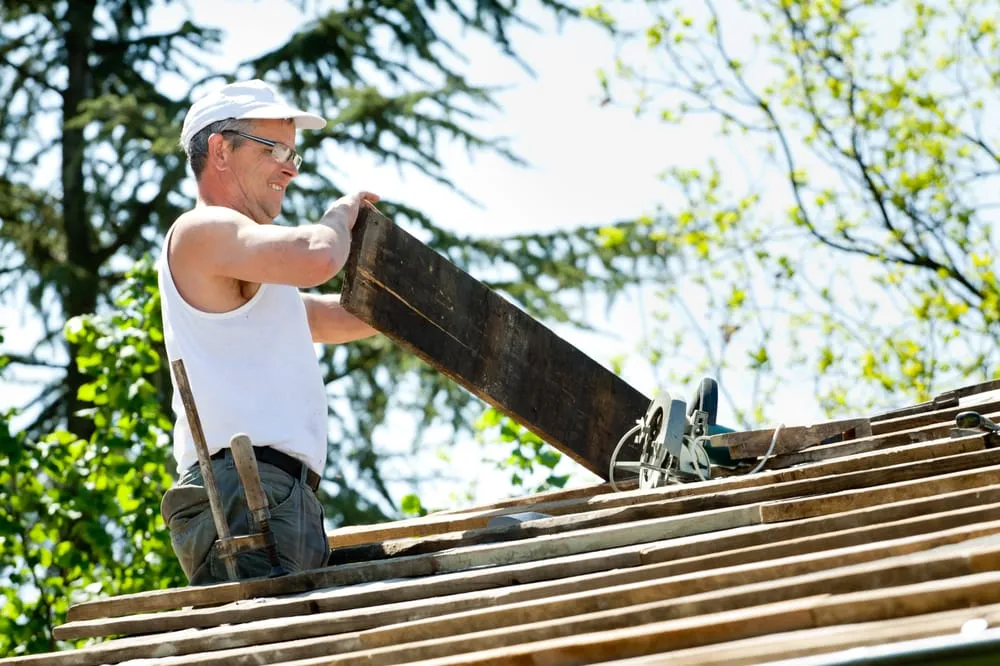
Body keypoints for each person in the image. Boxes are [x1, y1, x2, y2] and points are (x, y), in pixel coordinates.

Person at [157, 79, 378, 584]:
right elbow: (319, 255)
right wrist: (339, 216)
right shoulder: (201, 231)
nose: (289, 167)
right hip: (246, 493)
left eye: (294, 155)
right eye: (275, 148)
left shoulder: (243, 266)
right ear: (220, 149)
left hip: (273, 494)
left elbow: (332, 317)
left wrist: (418, 299)